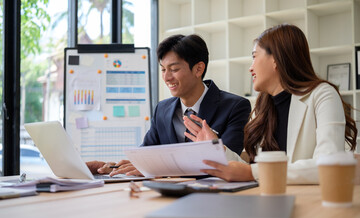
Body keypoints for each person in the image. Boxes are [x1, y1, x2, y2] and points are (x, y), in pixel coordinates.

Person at [185, 24, 357, 184]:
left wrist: (252, 173)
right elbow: (251, 169)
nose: (250, 68)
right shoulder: (265, 106)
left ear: (275, 59)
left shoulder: (322, 94)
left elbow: (328, 164)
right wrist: (217, 147)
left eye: (254, 57)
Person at [87, 34, 251, 176]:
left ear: (198, 69)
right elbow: (146, 156)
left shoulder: (235, 107)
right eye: (163, 69)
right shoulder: (162, 109)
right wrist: (118, 167)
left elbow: (231, 164)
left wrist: (158, 168)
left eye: (173, 69)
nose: (166, 77)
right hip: (166, 195)